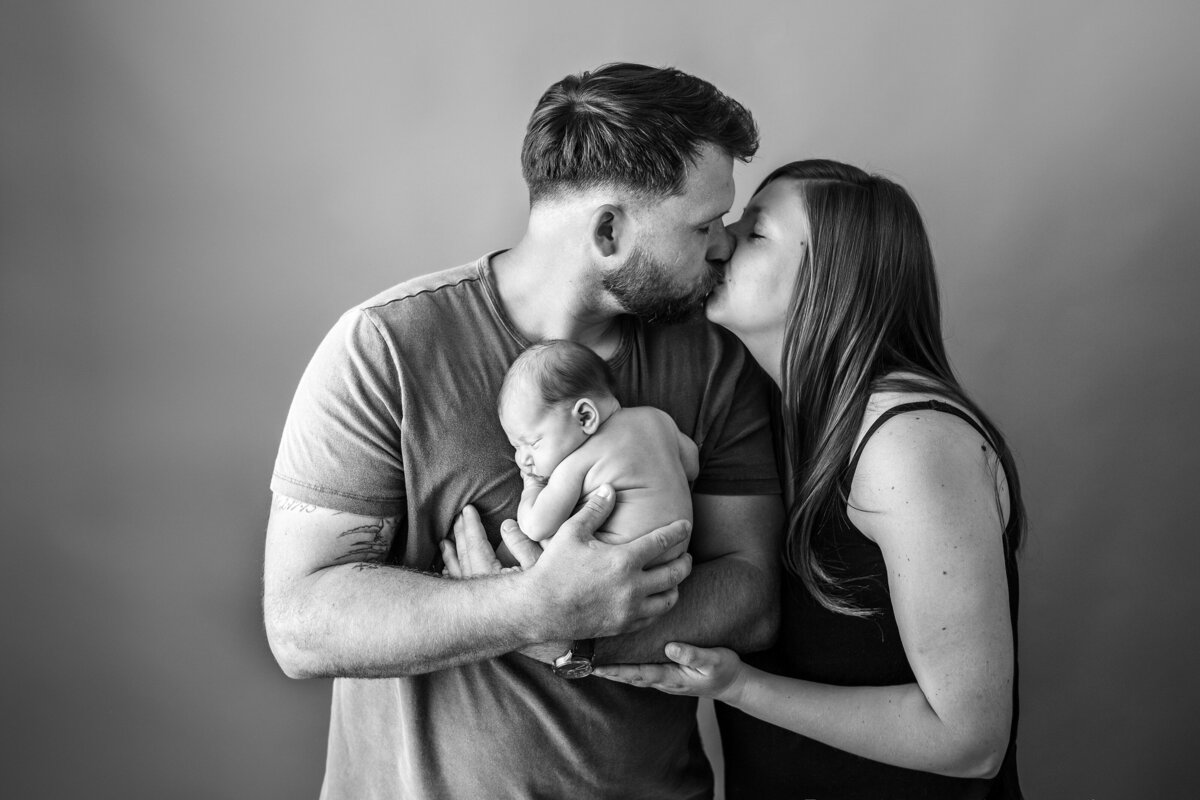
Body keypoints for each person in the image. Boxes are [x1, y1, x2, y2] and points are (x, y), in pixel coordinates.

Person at [262, 63, 784, 799]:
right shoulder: (386, 350)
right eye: (704, 226)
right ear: (608, 230)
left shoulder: (715, 362)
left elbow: (752, 596)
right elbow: (301, 623)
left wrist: (570, 637)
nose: (725, 246)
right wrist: (528, 607)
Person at [594, 159, 1027, 799]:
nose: (719, 241)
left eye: (756, 231)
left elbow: (969, 740)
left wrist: (739, 686)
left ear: (834, 279)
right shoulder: (767, 414)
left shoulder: (904, 444)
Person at [495, 338, 697, 564]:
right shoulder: (658, 419)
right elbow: (692, 465)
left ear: (585, 417)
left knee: (520, 538)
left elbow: (535, 526)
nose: (522, 460)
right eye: (516, 447)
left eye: (533, 443)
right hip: (674, 558)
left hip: (607, 570)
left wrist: (532, 488)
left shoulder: (576, 463)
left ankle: (487, 578)